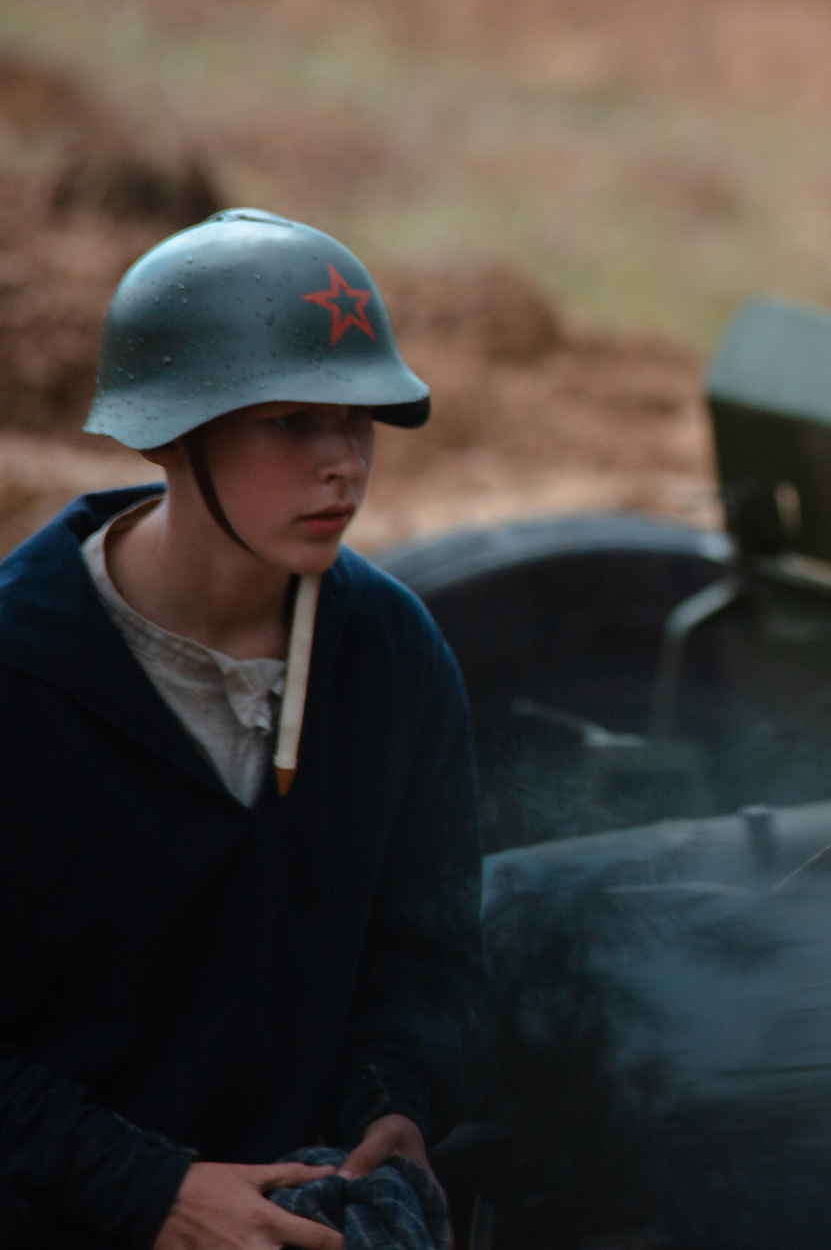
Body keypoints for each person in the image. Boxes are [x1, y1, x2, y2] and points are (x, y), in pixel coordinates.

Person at [0, 211, 482, 1250]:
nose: (342, 463)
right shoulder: (20, 670)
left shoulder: (393, 657)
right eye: (289, 422)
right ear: (171, 431)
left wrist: (395, 1103)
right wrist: (149, 1191)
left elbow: (425, 956)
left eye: (359, 422)